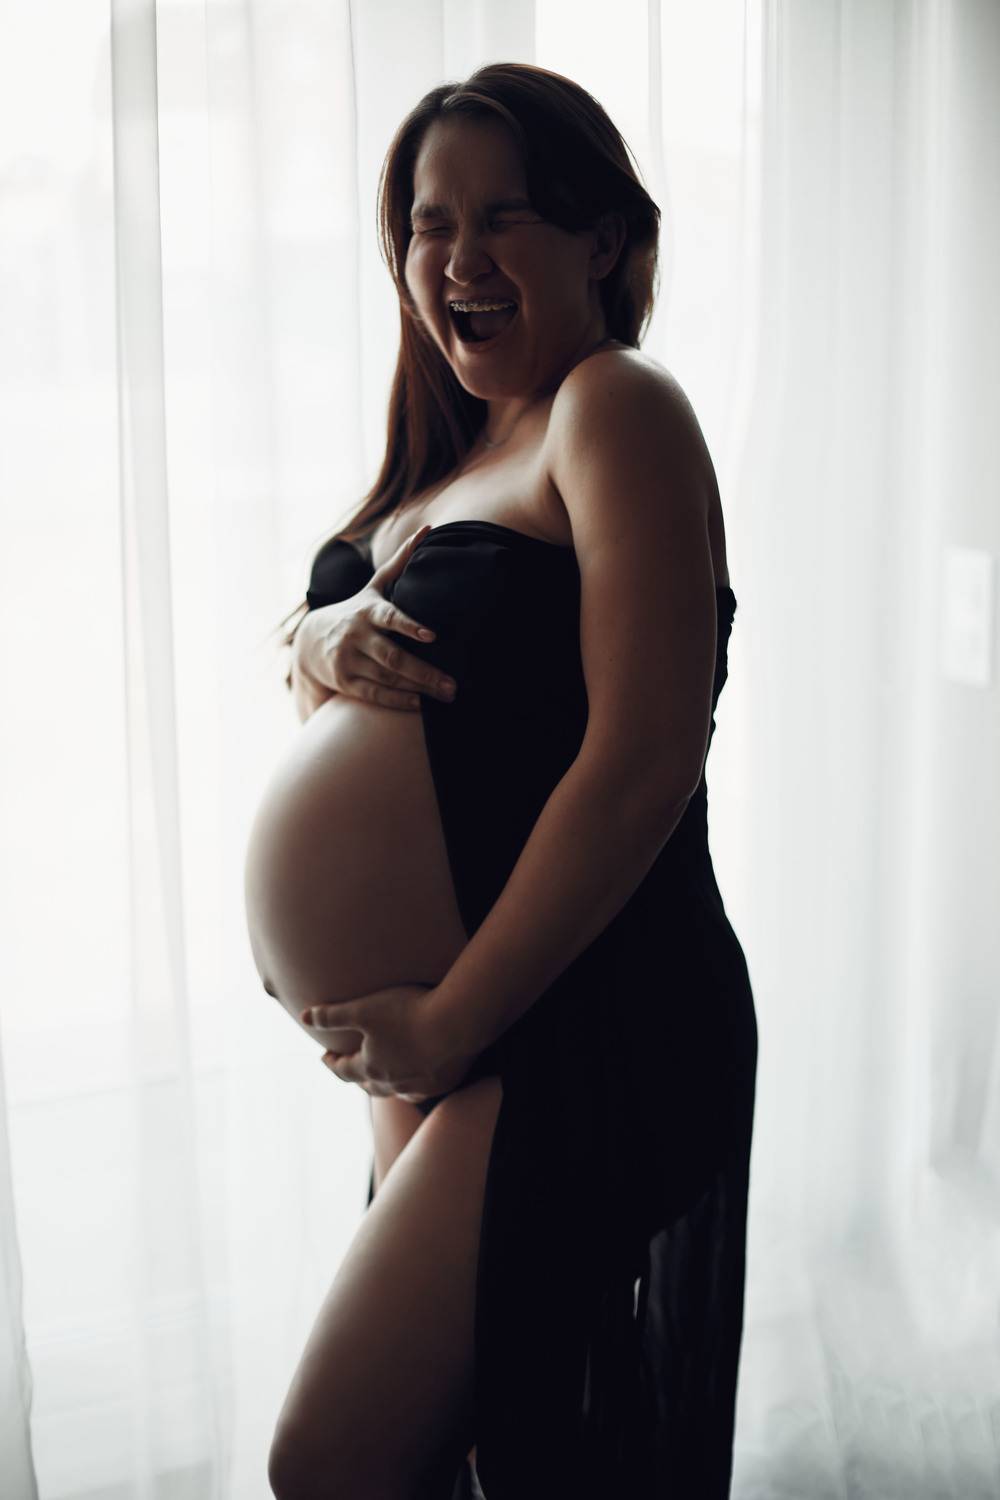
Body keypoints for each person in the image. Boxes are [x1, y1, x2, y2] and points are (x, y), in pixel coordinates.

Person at [266, 61, 757, 1500]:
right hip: (452, 1028)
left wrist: (446, 1023)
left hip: (576, 1016)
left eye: (505, 216)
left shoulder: (614, 405)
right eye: (431, 224)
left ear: (601, 238)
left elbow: (645, 758)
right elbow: (339, 696)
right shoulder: (443, 455)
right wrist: (310, 634)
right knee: (490, 1454)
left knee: (332, 1462)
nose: (461, 259)